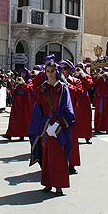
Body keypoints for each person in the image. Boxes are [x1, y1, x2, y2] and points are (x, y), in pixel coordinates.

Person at [28, 60, 75, 195]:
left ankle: (59, 185)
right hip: (46, 126)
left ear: (57, 72)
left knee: (59, 155)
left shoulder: (63, 88)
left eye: (52, 71)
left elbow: (68, 108)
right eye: (48, 71)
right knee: (46, 154)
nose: (50, 74)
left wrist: (57, 124)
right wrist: (45, 125)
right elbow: (38, 109)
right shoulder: (42, 89)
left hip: (59, 126)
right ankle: (48, 182)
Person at [58, 60, 83, 175]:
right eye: (61, 68)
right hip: (58, 114)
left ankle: (71, 164)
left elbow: (79, 93)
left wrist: (68, 85)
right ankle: (58, 163)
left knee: (72, 140)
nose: (63, 71)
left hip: (71, 115)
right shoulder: (55, 81)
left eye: (65, 68)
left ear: (70, 70)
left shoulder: (76, 81)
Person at [5, 67, 33, 141]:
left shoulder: (29, 81)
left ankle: (22, 134)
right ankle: (10, 133)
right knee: (14, 117)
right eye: (21, 73)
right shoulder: (17, 80)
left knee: (23, 118)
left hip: (25, 101)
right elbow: (12, 91)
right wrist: (14, 86)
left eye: (24, 73)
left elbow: (29, 90)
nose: (22, 74)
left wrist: (23, 84)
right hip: (17, 100)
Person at [73, 63, 94, 144]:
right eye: (78, 67)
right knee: (75, 117)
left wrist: (83, 76)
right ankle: (75, 135)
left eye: (81, 67)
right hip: (76, 98)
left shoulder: (87, 76)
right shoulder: (74, 76)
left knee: (86, 118)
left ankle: (87, 136)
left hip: (84, 98)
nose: (79, 69)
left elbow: (89, 85)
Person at [93, 67, 108, 134]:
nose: (104, 73)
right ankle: (98, 127)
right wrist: (98, 76)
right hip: (100, 98)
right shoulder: (99, 78)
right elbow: (94, 82)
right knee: (99, 113)